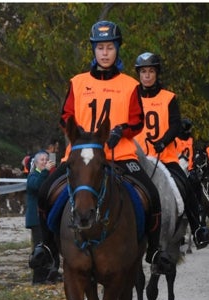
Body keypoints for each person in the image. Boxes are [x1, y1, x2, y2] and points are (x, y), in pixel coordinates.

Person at [40, 20, 172, 275]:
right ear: (93, 50)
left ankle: (154, 250)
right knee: (46, 191)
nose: (104, 52)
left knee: (152, 195)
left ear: (117, 50)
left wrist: (121, 130)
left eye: (109, 47)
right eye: (100, 47)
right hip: (81, 157)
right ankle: (45, 248)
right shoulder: (77, 82)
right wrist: (78, 134)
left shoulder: (130, 84)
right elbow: (65, 116)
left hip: (119, 155)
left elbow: (137, 120)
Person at [133, 51, 209, 250]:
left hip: (164, 156)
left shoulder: (169, 97)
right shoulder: (131, 97)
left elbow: (176, 125)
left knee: (186, 185)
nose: (147, 75)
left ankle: (198, 229)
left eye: (151, 71)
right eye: (143, 72)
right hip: (135, 156)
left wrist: (163, 141)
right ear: (139, 74)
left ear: (157, 73)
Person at [26, 151, 58, 284]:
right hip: (36, 218)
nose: (45, 162)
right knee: (39, 249)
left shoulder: (45, 175)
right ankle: (38, 279)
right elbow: (37, 186)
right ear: (37, 162)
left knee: (48, 247)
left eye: (46, 159)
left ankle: (48, 274)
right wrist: (45, 171)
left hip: (44, 218)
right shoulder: (34, 175)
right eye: (42, 160)